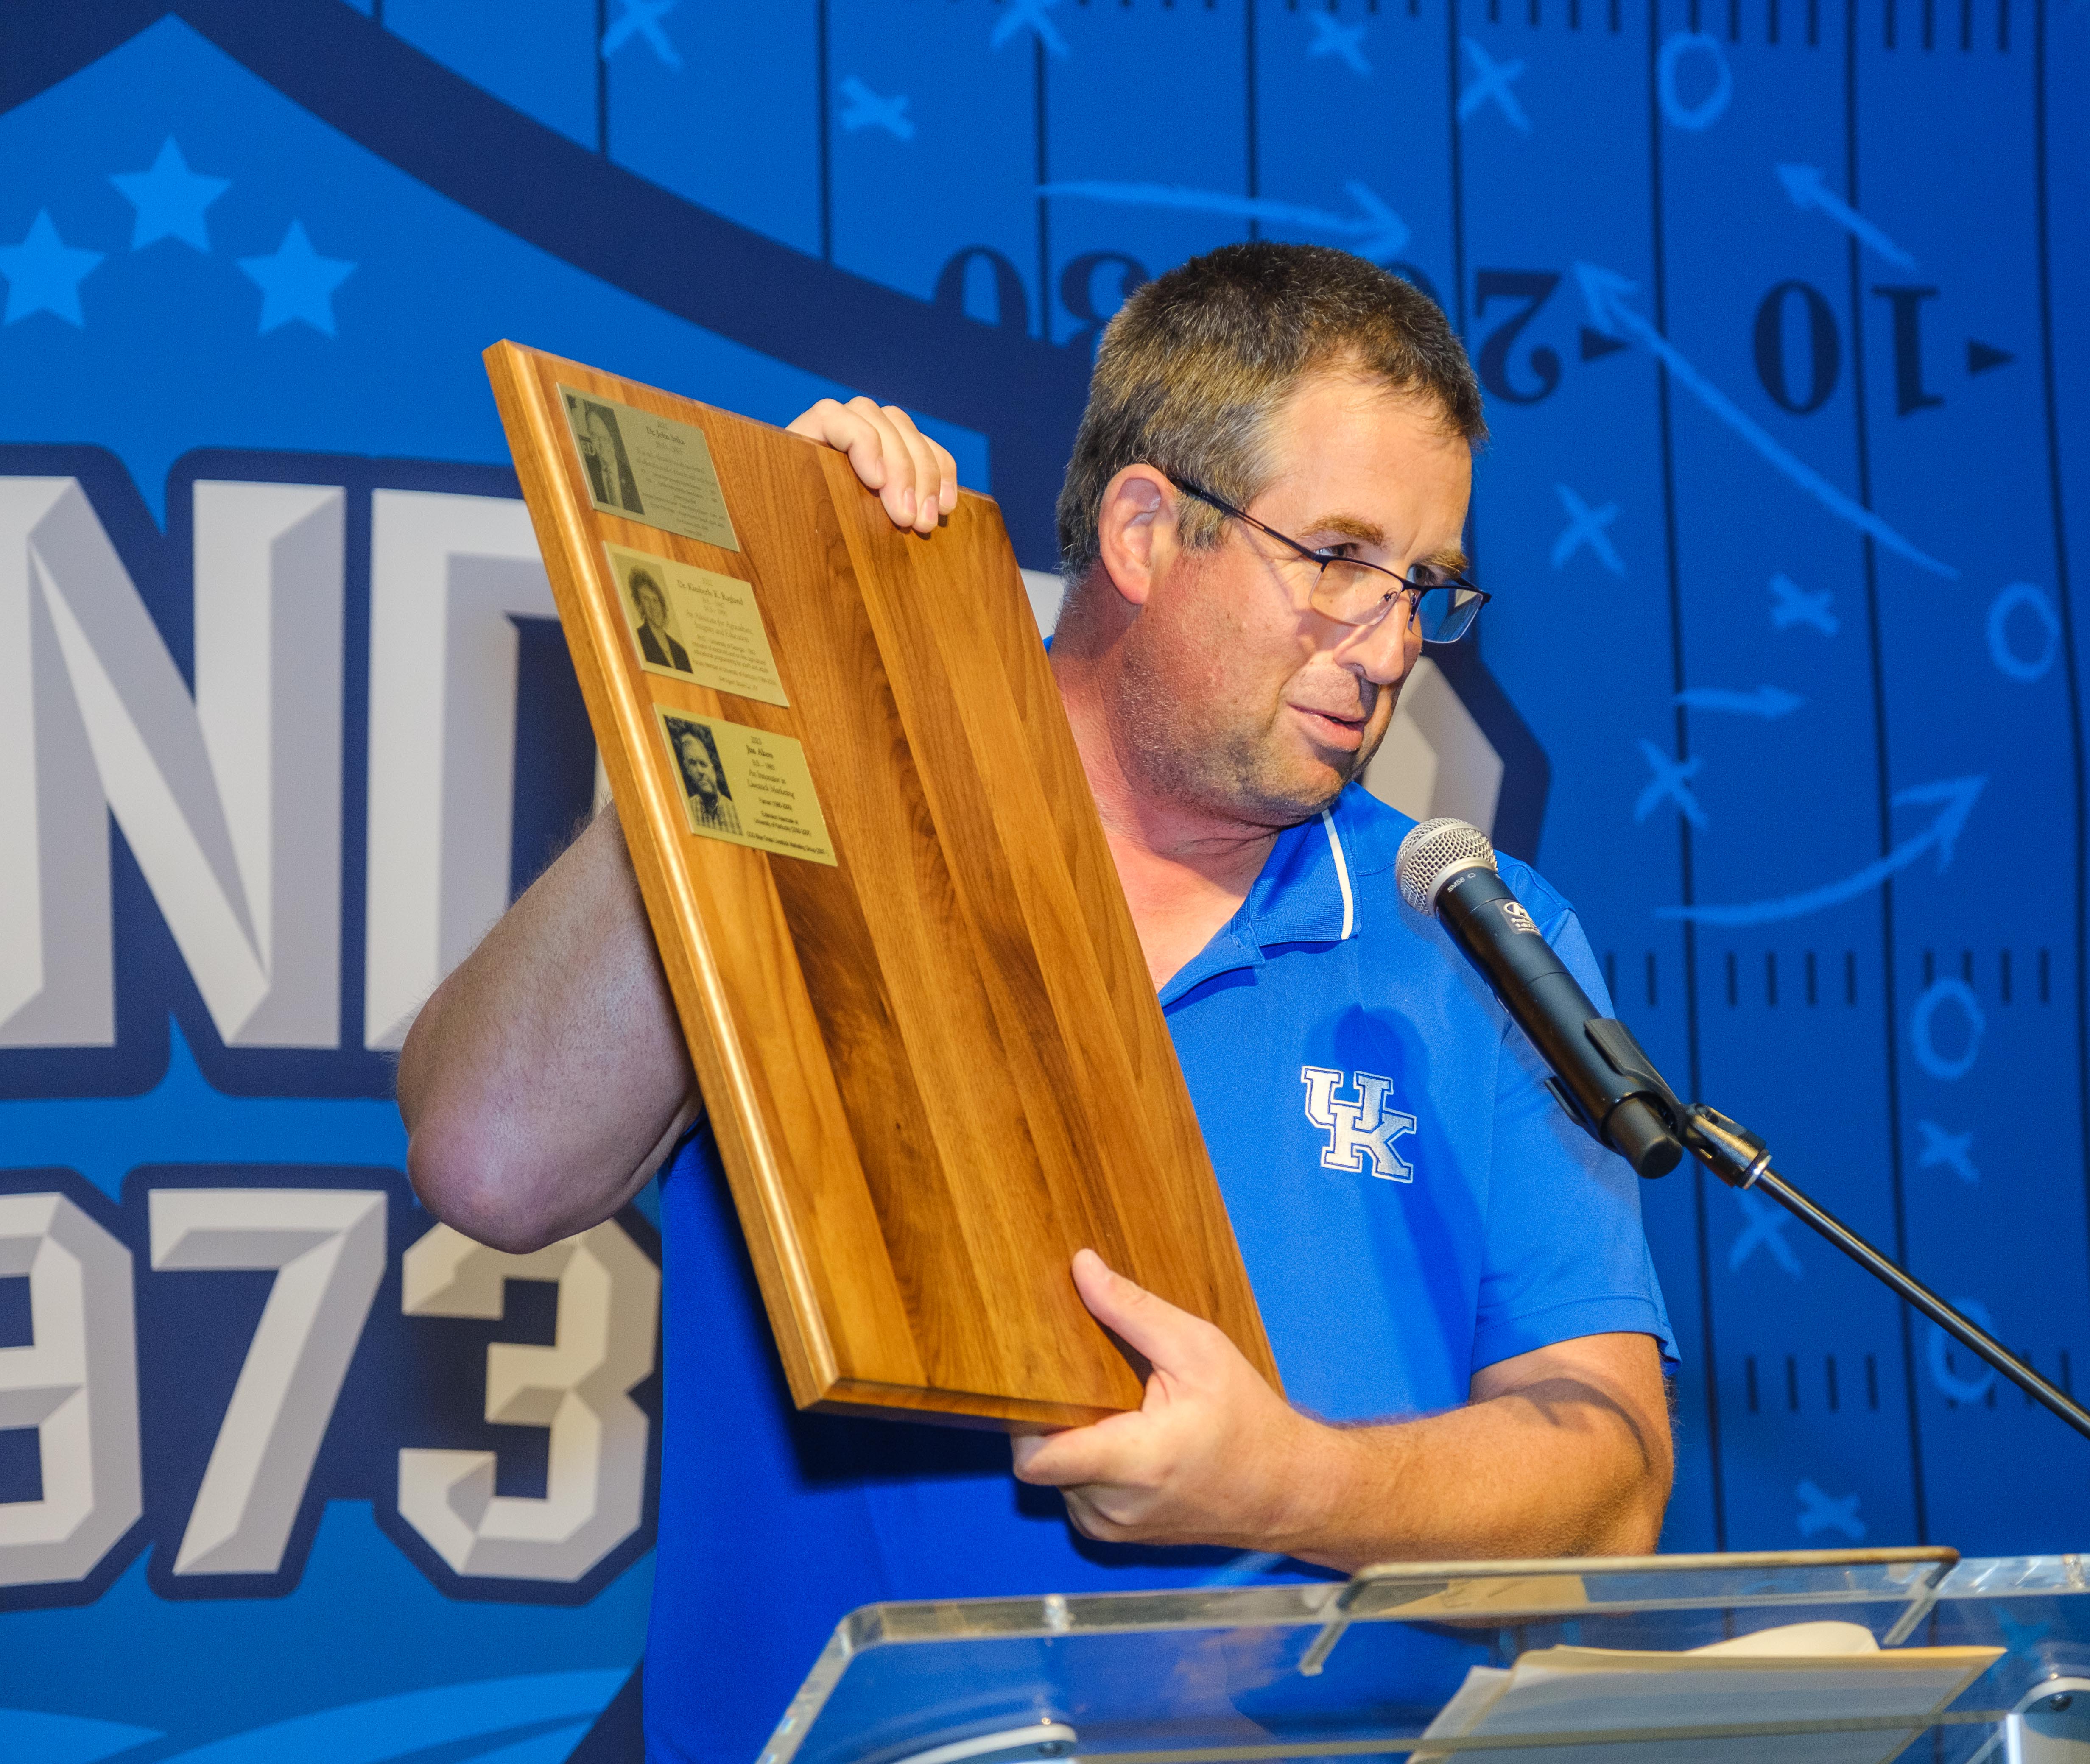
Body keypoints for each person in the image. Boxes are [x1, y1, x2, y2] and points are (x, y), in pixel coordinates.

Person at [398, 243, 1674, 1764]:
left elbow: (1612, 1483)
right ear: (1144, 527)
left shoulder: (1478, 938)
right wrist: (736, 696)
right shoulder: (828, 823)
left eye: (1428, 586)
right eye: (1337, 559)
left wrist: (1285, 1480)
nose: (1392, 644)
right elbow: (491, 1160)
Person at [667, 720, 740, 835]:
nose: (699, 771)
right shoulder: (687, 810)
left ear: (713, 768)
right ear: (687, 768)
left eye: (703, 764)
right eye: (692, 763)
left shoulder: (736, 814)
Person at [629, 568, 693, 671]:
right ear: (640, 607)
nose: (653, 607)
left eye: (655, 600)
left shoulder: (680, 651)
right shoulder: (638, 640)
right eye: (646, 599)